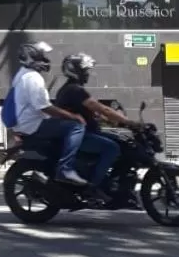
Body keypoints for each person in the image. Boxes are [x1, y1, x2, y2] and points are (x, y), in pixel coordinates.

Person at [55, 53, 139, 195]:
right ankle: (94, 187)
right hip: (80, 135)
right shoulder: (74, 90)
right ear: (76, 71)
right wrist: (128, 121)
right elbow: (101, 108)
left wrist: (111, 121)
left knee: (120, 140)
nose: (88, 74)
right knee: (112, 148)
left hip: (87, 132)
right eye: (86, 71)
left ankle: (113, 180)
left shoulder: (72, 89)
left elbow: (92, 113)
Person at [12, 42, 88, 187]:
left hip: (28, 122)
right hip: (34, 124)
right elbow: (44, 107)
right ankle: (65, 169)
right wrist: (72, 116)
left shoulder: (22, 74)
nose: (46, 60)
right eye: (42, 56)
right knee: (76, 126)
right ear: (32, 58)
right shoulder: (33, 78)